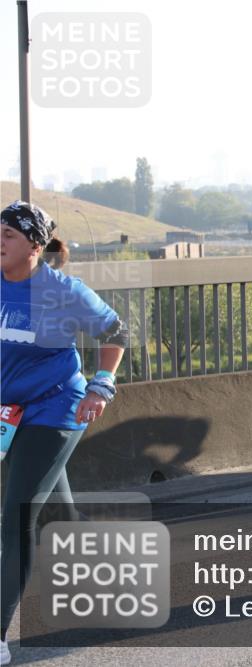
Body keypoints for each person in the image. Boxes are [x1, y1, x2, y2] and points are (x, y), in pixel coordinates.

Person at [1, 201, 126, 666]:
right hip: (7, 412)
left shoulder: (62, 291)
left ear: (34, 245)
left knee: (14, 518)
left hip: (56, 409)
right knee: (58, 514)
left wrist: (101, 386)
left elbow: (116, 333)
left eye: (9, 235)